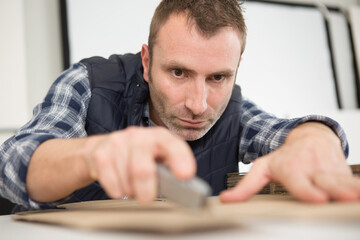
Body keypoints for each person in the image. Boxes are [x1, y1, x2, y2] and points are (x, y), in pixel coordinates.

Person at [0, 0, 359, 211]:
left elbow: (288, 133)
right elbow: (12, 164)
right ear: (146, 60)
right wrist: (93, 154)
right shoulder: (89, 82)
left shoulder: (231, 107)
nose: (198, 105)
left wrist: (317, 139)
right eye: (178, 72)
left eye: (218, 77)